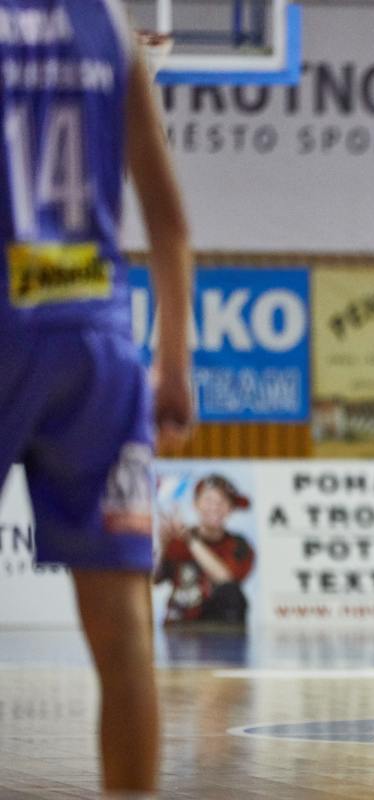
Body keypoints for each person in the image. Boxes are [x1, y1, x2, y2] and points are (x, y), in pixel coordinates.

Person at [0, 1, 193, 793]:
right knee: (123, 632)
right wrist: (174, 361)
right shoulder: (109, 26)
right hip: (96, 339)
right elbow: (168, 221)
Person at [155, 474, 255, 624]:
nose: (215, 507)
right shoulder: (177, 540)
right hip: (180, 626)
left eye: (223, 502)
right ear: (196, 504)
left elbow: (227, 581)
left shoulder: (239, 545)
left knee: (232, 595)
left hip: (218, 628)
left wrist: (189, 539)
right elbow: (154, 579)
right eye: (209, 500)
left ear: (231, 509)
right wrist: (162, 544)